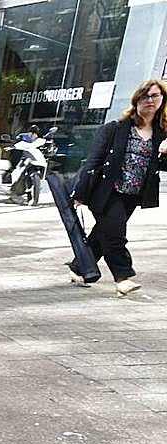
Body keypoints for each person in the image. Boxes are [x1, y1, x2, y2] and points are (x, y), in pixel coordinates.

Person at [71, 78, 167, 295]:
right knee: (115, 235)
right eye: (145, 96)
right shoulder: (115, 129)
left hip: (133, 195)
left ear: (162, 100)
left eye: (155, 96)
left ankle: (78, 268)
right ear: (136, 100)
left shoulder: (162, 134)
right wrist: (80, 192)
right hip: (106, 191)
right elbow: (93, 161)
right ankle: (123, 278)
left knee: (102, 234)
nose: (149, 100)